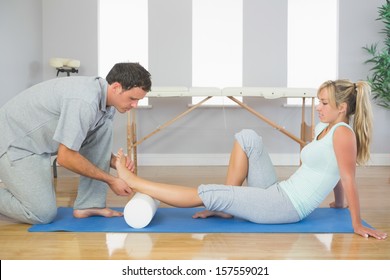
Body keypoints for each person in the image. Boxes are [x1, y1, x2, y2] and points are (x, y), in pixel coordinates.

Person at [114, 79, 387, 240]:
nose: (318, 107)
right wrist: (339, 203)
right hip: (278, 190)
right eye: (319, 101)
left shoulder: (343, 134)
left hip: (286, 208)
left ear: (343, 107)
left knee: (208, 192)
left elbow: (348, 176)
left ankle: (135, 181)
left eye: (324, 103)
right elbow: (334, 169)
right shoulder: (324, 129)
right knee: (247, 137)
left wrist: (357, 223)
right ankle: (226, 204)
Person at [0, 62, 151, 224]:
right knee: (42, 214)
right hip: (15, 143)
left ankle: (90, 204)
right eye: (132, 99)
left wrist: (115, 162)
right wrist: (111, 180)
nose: (135, 105)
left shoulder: (107, 103)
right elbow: (65, 158)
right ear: (116, 87)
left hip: (38, 143)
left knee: (103, 129)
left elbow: (93, 144)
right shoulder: (84, 101)